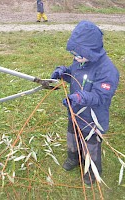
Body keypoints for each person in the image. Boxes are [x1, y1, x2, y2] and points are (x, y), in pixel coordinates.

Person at [51, 20, 119, 185]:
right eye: (73, 55)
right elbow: (74, 75)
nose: (75, 58)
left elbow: (100, 96)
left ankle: (91, 171)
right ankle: (74, 157)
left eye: (78, 55)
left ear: (91, 51)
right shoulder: (80, 60)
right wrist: (63, 73)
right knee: (72, 136)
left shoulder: (107, 71)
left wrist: (79, 97)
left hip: (93, 118)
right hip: (75, 112)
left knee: (91, 146)